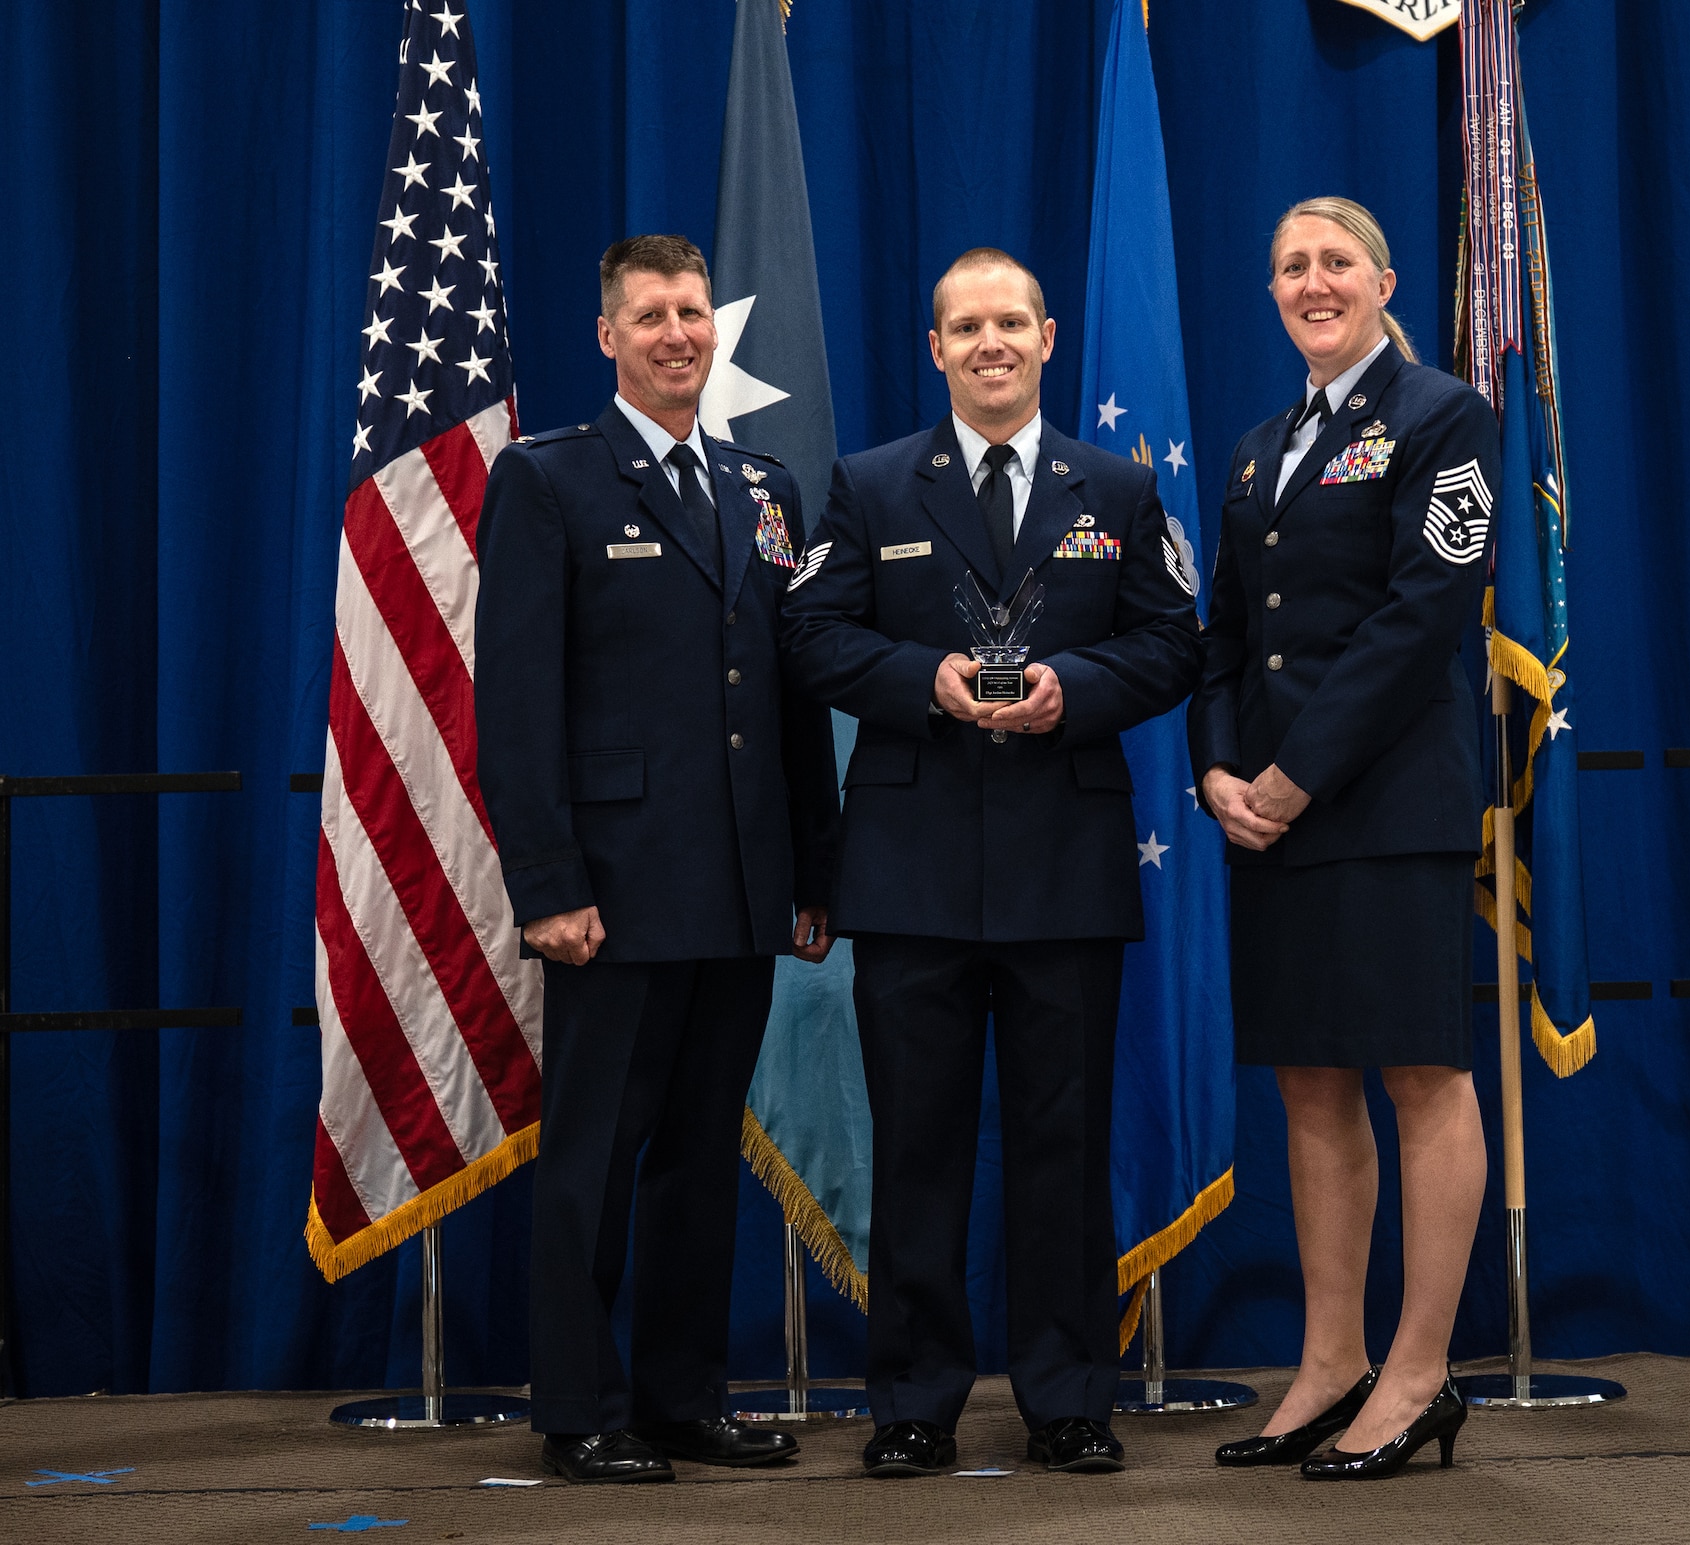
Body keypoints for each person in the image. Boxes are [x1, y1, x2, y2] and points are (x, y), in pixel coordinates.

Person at [782, 248, 1201, 1478]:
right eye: (965, 327)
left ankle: (1068, 1398)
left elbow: (1172, 645)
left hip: (1063, 868)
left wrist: (1074, 687)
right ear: (935, 349)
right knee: (914, 1146)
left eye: (1009, 322)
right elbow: (808, 634)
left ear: (1048, 336)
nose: (990, 344)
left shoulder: (1117, 490)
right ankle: (913, 1401)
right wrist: (926, 683)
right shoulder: (866, 487)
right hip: (908, 872)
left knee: (1062, 1153)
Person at [473, 234, 840, 1484]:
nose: (679, 332)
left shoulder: (763, 486)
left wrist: (812, 871)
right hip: (614, 892)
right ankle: (578, 1409)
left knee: (698, 1156)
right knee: (593, 1155)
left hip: (740, 881)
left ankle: (682, 1399)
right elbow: (515, 705)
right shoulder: (549, 482)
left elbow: (789, 698)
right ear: (608, 335)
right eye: (651, 315)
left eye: (692, 311)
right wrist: (548, 885)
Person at [1188, 197, 1498, 1481]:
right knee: (1310, 1083)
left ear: (1379, 280)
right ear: (1270, 295)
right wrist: (1217, 764)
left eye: (1332, 262)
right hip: (1268, 810)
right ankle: (1329, 1365)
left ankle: (1418, 1374)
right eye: (1287, 268)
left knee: (1417, 1075)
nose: (1311, 282)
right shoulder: (1262, 447)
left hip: (1382, 807)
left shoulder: (1443, 419)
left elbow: (1423, 614)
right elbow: (1222, 631)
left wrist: (1294, 774)